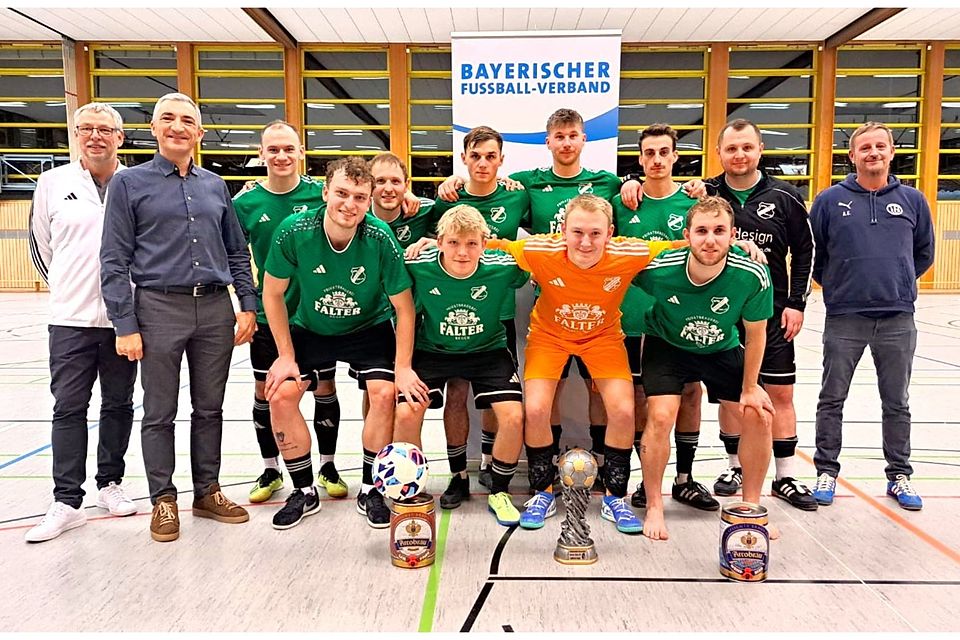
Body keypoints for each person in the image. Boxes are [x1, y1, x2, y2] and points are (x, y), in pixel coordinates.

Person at [100, 92, 256, 543]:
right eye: (167, 119)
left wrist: (246, 303)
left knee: (210, 408)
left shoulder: (215, 186)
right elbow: (113, 259)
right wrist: (124, 324)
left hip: (212, 307)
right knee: (159, 411)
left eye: (187, 120)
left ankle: (207, 491)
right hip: (157, 308)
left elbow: (235, 251)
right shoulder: (128, 184)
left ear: (200, 133)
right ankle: (163, 500)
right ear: (153, 129)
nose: (177, 126)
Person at [439, 109, 622, 491]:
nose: (567, 142)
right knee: (536, 394)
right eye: (559, 136)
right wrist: (448, 183)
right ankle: (544, 470)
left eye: (573, 135)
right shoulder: (524, 186)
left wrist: (672, 186)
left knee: (597, 393)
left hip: (597, 311)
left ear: (584, 139)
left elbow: (643, 207)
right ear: (548, 141)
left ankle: (605, 467)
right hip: (548, 306)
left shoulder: (608, 183)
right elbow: (433, 228)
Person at [483, 193, 685, 534]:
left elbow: (683, 247)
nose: (586, 242)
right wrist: (430, 244)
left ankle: (614, 497)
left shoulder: (630, 252)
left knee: (623, 411)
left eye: (595, 233)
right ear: (563, 230)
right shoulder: (538, 250)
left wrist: (740, 248)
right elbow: (490, 245)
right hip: (549, 337)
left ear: (610, 234)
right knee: (534, 410)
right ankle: (542, 491)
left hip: (602, 338)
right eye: (577, 232)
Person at [261, 156, 427, 530]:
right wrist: (285, 355)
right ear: (325, 192)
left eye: (359, 197)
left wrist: (403, 368)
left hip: (367, 327)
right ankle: (304, 491)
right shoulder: (293, 231)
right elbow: (272, 294)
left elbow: (403, 308)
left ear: (369, 202)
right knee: (281, 395)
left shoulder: (380, 238)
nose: (349, 204)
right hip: (311, 327)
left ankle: (371, 488)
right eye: (342, 193)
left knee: (384, 394)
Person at [25, 102, 139, 543]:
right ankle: (66, 500)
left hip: (124, 320)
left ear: (120, 137)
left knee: (118, 404)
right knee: (68, 408)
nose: (95, 136)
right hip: (70, 320)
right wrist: (69, 290)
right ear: (75, 134)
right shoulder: (53, 183)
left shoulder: (135, 183)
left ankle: (110, 483)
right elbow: (41, 247)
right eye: (86, 129)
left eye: (105, 130)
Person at [809, 121, 934, 511]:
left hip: (897, 317)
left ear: (892, 153)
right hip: (845, 316)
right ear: (852, 156)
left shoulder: (913, 200)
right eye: (865, 148)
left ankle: (899, 475)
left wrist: (895, 281)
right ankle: (826, 471)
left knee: (896, 401)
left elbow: (923, 253)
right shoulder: (829, 200)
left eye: (880, 146)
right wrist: (842, 285)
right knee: (832, 397)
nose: (873, 153)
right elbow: (816, 258)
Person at [635, 196, 774, 540]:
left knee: (758, 413)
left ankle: (749, 508)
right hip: (666, 344)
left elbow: (756, 334)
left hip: (719, 346)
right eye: (701, 231)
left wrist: (750, 386)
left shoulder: (752, 274)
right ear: (687, 235)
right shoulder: (659, 268)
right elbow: (612, 269)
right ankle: (654, 503)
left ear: (733, 234)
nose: (710, 240)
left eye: (718, 231)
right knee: (662, 415)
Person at [702, 119, 817, 511]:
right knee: (731, 398)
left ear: (760, 149)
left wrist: (796, 304)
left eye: (746, 147)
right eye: (731, 148)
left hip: (773, 312)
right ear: (718, 152)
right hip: (724, 314)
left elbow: (804, 253)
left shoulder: (785, 197)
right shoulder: (706, 193)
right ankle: (734, 467)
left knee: (780, 393)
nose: (739, 155)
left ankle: (785, 475)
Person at [232, 120, 348, 504]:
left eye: (288, 149)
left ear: (301, 154)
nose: (281, 156)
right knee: (266, 392)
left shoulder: (322, 195)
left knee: (323, 388)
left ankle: (328, 465)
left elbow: (364, 205)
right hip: (270, 317)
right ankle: (270, 468)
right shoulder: (245, 204)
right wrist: (246, 308)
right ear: (261, 154)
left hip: (316, 315)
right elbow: (235, 259)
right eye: (273, 150)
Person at [396, 204, 528, 525]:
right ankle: (423, 484)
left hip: (487, 349)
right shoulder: (417, 264)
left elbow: (533, 256)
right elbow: (387, 269)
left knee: (513, 416)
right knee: (406, 411)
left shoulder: (503, 266)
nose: (462, 252)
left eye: (472, 243)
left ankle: (498, 490)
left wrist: (499, 245)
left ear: (485, 243)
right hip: (434, 348)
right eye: (453, 242)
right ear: (438, 241)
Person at [612, 124, 715, 512]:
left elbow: (716, 240)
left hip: (682, 321)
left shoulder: (693, 205)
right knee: (641, 398)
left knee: (691, 393)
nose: (656, 160)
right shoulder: (623, 203)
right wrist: (626, 182)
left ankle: (685, 479)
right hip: (633, 319)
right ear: (640, 159)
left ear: (675, 157)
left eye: (663, 152)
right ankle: (644, 479)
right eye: (649, 153)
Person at [428, 126, 530, 508]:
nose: (483, 162)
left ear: (501, 160)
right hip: (451, 319)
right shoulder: (446, 199)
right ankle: (458, 475)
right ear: (464, 158)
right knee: (456, 394)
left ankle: (489, 465)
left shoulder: (517, 196)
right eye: (476, 156)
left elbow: (553, 225)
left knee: (492, 399)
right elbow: (426, 240)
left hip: (498, 314)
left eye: (491, 156)